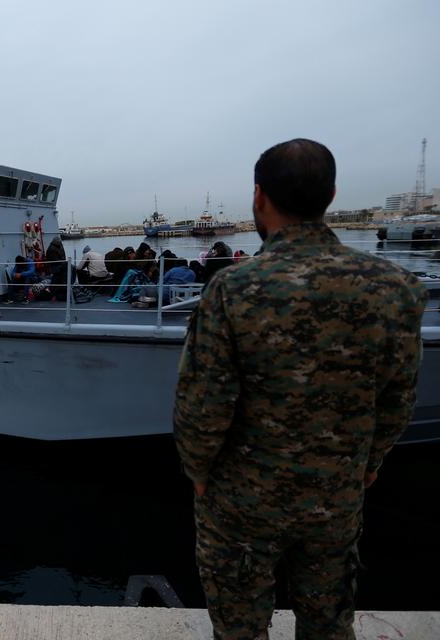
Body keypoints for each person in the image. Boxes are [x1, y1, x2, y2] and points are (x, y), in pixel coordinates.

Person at [174, 138, 428, 640]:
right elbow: (398, 397)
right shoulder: (396, 287)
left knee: (240, 625)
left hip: (241, 502)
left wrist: (198, 470)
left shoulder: (232, 289)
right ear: (331, 195)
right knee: (328, 622)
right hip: (335, 495)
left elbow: (203, 404)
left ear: (259, 197)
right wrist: (370, 462)